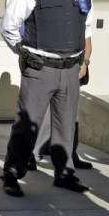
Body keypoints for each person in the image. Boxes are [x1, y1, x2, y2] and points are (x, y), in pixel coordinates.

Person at [0, 0, 93, 197]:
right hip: (40, 70)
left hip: (71, 69)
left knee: (66, 126)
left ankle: (64, 173)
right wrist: (27, 53)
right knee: (27, 125)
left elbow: (86, 30)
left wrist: (84, 61)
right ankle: (12, 173)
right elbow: (8, 28)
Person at [30, 37, 93, 170]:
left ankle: (70, 154)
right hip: (50, 67)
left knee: (71, 117)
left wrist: (85, 64)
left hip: (73, 68)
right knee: (47, 116)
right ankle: (35, 154)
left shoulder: (81, 16)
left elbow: (87, 42)